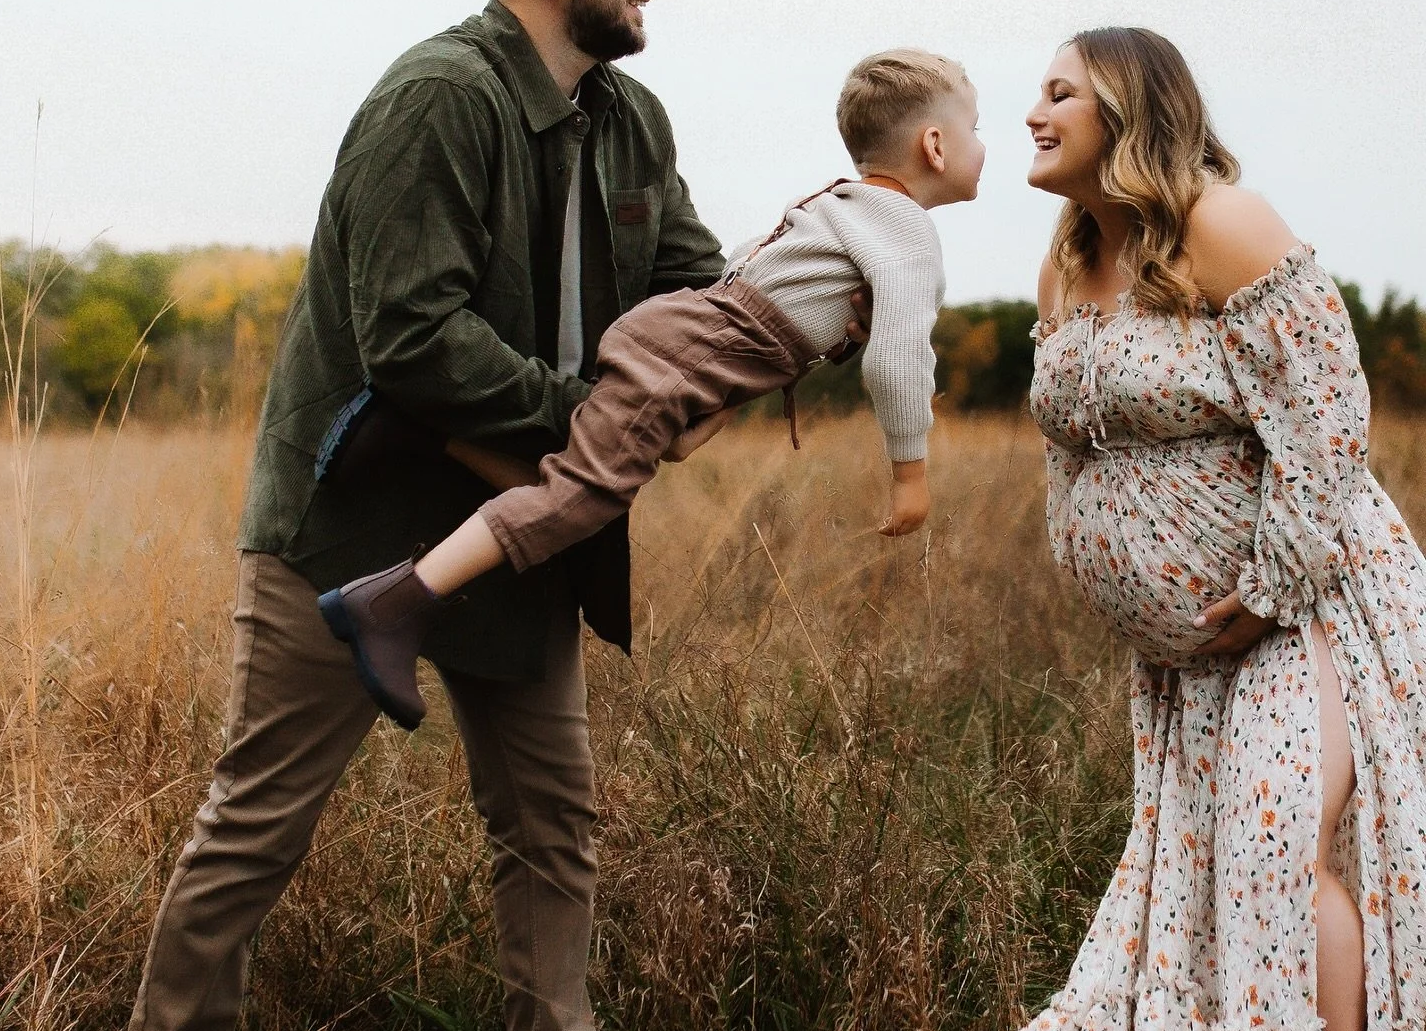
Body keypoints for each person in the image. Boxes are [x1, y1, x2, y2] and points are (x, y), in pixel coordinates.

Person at [90, 0, 730, 1031]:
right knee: (253, 836)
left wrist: (744, 342)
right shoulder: (436, 98)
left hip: (520, 541)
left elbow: (696, 290)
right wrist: (599, 424)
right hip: (353, 536)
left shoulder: (634, 124)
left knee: (553, 834)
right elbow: (414, 339)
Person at [838, 27, 1426, 1031]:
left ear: (1130, 103)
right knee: (1217, 879)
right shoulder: (1070, 255)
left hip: (1310, 608)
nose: (1030, 111)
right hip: (1180, 661)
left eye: (1056, 89)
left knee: (1283, 857)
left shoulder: (1224, 224)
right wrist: (1120, 584)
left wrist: (1268, 589)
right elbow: (1076, 440)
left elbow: (1330, 423)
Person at [318, 49, 984, 732]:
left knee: (576, 480)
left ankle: (420, 433)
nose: (985, 145)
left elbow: (753, 269)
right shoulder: (906, 231)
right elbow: (900, 359)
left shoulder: (842, 201)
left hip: (681, 343)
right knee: (581, 497)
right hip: (684, 359)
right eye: (978, 128)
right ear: (934, 144)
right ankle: (389, 606)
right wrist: (910, 473)